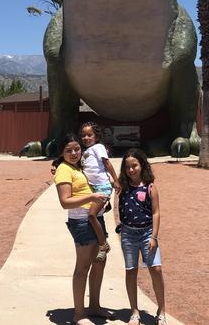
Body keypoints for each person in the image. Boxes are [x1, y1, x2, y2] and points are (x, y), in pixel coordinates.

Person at [54, 133, 111, 325]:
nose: (74, 153)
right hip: (81, 222)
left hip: (95, 218)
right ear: (61, 152)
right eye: (68, 150)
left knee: (99, 261)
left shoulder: (79, 166)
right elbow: (65, 202)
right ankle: (79, 313)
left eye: (77, 149)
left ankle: (94, 305)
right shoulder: (64, 169)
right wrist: (91, 198)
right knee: (83, 266)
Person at [52, 122, 120, 261]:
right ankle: (103, 244)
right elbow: (65, 201)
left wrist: (115, 180)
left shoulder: (97, 148)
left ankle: (102, 244)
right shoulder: (80, 158)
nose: (86, 138)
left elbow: (106, 163)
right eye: (83, 135)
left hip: (100, 191)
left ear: (97, 136)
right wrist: (57, 164)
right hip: (83, 216)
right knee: (84, 265)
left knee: (92, 216)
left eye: (90, 135)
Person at [118, 149, 167, 325]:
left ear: (142, 165)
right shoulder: (122, 187)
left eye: (134, 165)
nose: (131, 170)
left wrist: (154, 237)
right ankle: (134, 311)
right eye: (127, 167)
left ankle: (161, 310)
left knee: (156, 269)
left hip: (147, 233)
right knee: (131, 271)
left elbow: (156, 212)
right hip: (128, 234)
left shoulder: (150, 187)